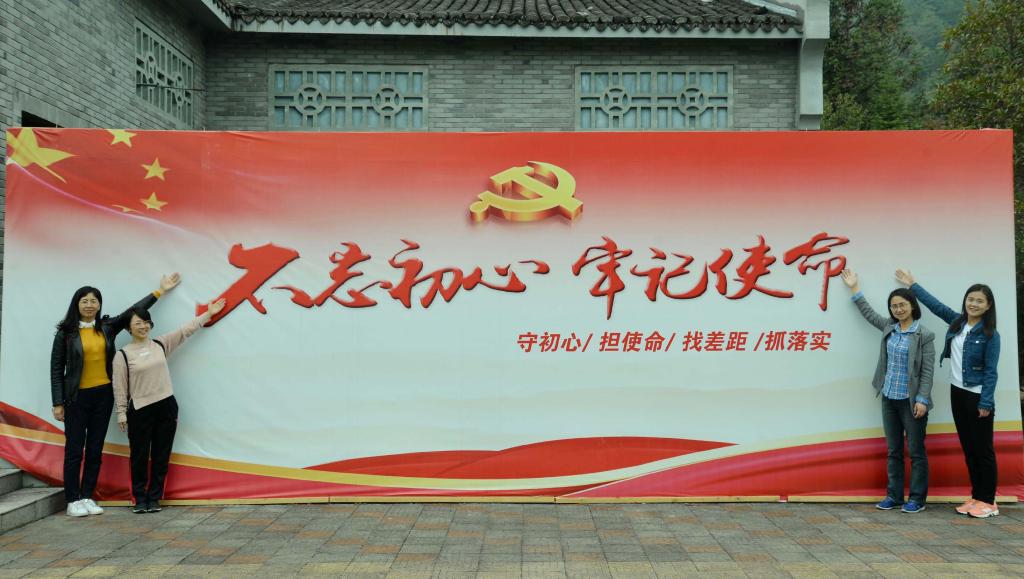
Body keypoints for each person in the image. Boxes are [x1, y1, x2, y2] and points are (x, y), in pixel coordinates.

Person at [50, 275, 181, 517]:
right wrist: (58, 402)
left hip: (103, 397)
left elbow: (133, 311)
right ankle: (72, 499)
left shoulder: (107, 328)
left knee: (95, 448)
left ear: (99, 305)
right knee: (75, 449)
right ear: (76, 304)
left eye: (94, 301)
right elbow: (56, 369)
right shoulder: (65, 334)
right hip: (76, 398)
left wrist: (160, 291)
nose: (90, 305)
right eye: (84, 301)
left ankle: (87, 496)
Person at [897, 269, 1001, 518]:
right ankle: (977, 496)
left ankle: (989, 501)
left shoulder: (990, 335)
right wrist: (913, 285)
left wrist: (986, 402)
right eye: (970, 299)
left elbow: (991, 372)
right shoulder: (957, 322)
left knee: (983, 450)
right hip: (958, 393)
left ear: (988, 306)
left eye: (979, 301)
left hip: (978, 396)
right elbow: (936, 306)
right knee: (969, 447)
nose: (973, 304)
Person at [113, 298, 226, 514]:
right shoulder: (123, 355)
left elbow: (184, 331)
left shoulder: (160, 344)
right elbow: (119, 387)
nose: (143, 326)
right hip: (140, 409)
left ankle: (154, 498)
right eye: (138, 323)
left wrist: (208, 314)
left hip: (166, 405)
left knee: (161, 455)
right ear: (128, 328)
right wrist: (121, 413)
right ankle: (140, 498)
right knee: (139, 456)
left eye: (146, 322)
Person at [841, 268, 935, 513]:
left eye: (902, 305)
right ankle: (894, 496)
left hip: (911, 401)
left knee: (916, 451)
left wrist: (922, 399)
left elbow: (927, 371)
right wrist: (854, 288)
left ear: (912, 306)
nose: (898, 309)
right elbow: (870, 314)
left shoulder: (924, 335)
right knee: (894, 451)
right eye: (894, 306)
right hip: (889, 398)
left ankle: (917, 499)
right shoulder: (889, 327)